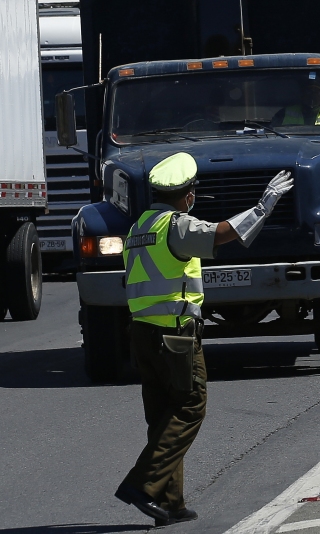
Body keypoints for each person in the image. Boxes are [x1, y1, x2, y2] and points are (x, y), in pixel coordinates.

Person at [113, 152, 293, 526]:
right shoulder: (174, 226)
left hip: (142, 332)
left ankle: (170, 502)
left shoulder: (138, 228)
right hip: (175, 333)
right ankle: (143, 484)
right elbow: (221, 234)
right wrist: (263, 205)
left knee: (163, 414)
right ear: (188, 195)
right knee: (191, 406)